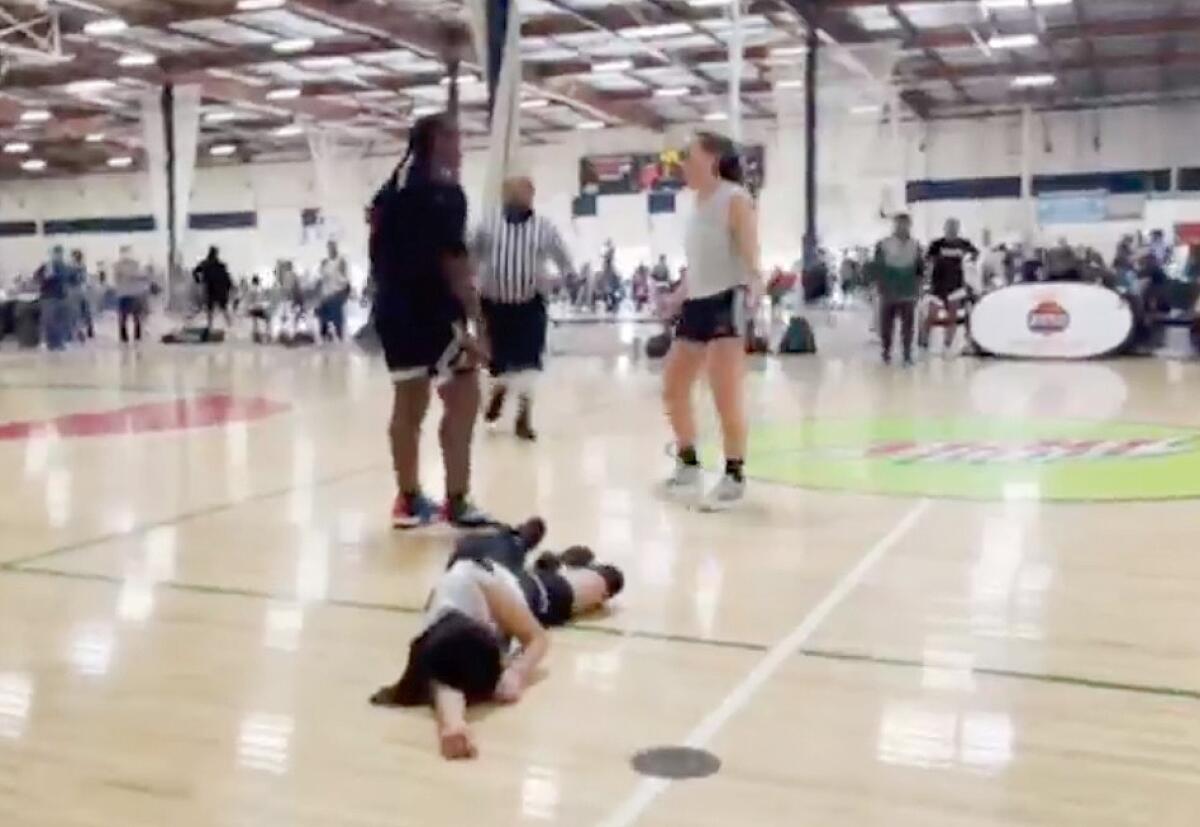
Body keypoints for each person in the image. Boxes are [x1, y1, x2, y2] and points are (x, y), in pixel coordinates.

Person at [369, 518, 623, 760]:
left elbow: (537, 638)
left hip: (508, 581)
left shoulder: (479, 588)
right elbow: (446, 680)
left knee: (608, 581)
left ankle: (535, 550)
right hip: (477, 573)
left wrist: (517, 672)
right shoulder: (435, 642)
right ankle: (545, 561)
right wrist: (454, 727)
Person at [370, 112, 491, 529]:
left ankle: (408, 500)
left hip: (392, 310)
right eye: (456, 139)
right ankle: (456, 500)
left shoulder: (391, 187)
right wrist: (477, 324)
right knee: (464, 396)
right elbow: (454, 262)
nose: (461, 149)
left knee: (410, 403)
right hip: (432, 311)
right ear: (437, 140)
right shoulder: (443, 192)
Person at [662, 131, 763, 511]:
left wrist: (755, 286)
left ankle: (734, 476)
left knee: (725, 395)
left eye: (689, 155)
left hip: (727, 301)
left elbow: (752, 254)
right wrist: (676, 296)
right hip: (697, 305)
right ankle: (688, 464)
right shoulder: (695, 204)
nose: (683, 162)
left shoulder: (734, 199)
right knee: (673, 387)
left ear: (713, 159)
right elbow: (698, 265)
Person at [472, 174, 574, 442]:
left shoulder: (544, 228)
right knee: (499, 363)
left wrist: (562, 279)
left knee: (530, 363)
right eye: (514, 191)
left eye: (525, 191)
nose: (520, 196)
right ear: (505, 195)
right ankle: (499, 391)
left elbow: (564, 259)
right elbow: (472, 255)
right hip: (494, 306)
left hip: (529, 305)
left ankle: (523, 416)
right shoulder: (488, 225)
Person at [871, 213, 923, 366]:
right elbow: (877, 267)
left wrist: (918, 287)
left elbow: (920, 269)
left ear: (909, 225)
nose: (902, 227)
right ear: (894, 225)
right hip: (889, 290)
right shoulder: (884, 244)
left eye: (905, 224)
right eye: (899, 224)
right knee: (886, 325)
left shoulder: (915, 246)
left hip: (908, 290)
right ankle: (886, 351)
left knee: (908, 325)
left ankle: (907, 354)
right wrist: (879, 286)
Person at [923, 218, 979, 353]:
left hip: (956, 285)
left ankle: (947, 345)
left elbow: (975, 253)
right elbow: (927, 259)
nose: (952, 230)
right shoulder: (937, 244)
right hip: (938, 285)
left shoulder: (964, 244)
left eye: (954, 227)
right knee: (931, 315)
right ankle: (924, 342)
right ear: (945, 229)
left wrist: (971, 260)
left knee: (952, 316)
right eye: (949, 227)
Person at [35, 246, 74, 351]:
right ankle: (48, 342)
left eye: (60, 253)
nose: (58, 256)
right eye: (56, 253)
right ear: (52, 254)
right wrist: (46, 276)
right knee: (49, 320)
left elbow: (71, 279)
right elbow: (37, 278)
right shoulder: (46, 266)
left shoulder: (65, 267)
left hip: (62, 296)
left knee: (61, 320)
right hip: (49, 297)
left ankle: (60, 342)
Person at [113, 246, 151, 343]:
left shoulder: (118, 265)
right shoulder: (134, 264)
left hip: (126, 294)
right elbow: (142, 276)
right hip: (131, 294)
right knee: (133, 318)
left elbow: (117, 279)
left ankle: (125, 338)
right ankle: (135, 338)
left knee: (125, 318)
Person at [316, 240, 351, 342]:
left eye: (333, 247)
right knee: (323, 317)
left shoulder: (341, 261)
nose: (331, 250)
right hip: (326, 294)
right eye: (329, 248)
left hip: (337, 292)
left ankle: (339, 337)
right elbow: (321, 280)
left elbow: (345, 278)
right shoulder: (325, 263)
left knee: (337, 317)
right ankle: (325, 337)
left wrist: (344, 290)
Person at [193, 247, 233, 333]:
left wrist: (198, 280)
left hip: (213, 289)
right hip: (215, 289)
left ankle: (217, 326)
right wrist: (229, 287)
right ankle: (227, 326)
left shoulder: (208, 264)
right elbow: (227, 278)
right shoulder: (217, 265)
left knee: (214, 309)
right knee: (218, 309)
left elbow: (195, 272)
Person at [68, 249, 93, 341]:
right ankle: (85, 330)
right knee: (84, 312)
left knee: (77, 312)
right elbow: (83, 279)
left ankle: (78, 331)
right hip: (80, 291)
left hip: (74, 292)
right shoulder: (82, 266)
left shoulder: (71, 266)